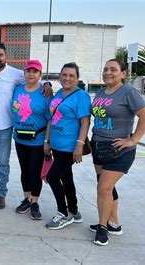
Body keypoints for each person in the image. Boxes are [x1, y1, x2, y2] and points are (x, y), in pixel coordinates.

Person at [0, 42, 52, 209]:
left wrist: (47, 84)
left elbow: (34, 78)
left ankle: (1, 194)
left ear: (5, 56)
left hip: (5, 126)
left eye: (0, 55)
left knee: (2, 162)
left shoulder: (16, 74)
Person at [89, 59, 145, 246]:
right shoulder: (101, 92)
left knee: (103, 188)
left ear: (123, 74)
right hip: (99, 146)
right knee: (107, 188)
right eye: (106, 69)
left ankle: (103, 228)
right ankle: (114, 223)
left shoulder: (128, 92)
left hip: (119, 150)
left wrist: (133, 139)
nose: (108, 72)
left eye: (114, 70)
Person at [43, 62, 91, 230]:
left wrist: (79, 145)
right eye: (64, 75)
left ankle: (63, 213)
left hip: (69, 146)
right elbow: (51, 119)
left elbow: (85, 122)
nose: (67, 78)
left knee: (53, 177)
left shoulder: (81, 96)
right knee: (66, 178)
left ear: (77, 78)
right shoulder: (58, 95)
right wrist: (47, 141)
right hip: (56, 144)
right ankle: (74, 211)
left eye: (71, 75)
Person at [11, 60, 50, 220]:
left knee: (35, 172)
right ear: (24, 73)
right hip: (20, 138)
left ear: (40, 75)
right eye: (28, 71)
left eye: (35, 72)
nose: (31, 74)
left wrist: (47, 141)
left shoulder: (45, 93)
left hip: (37, 139)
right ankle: (27, 198)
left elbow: (50, 119)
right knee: (24, 170)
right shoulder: (18, 88)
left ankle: (35, 201)